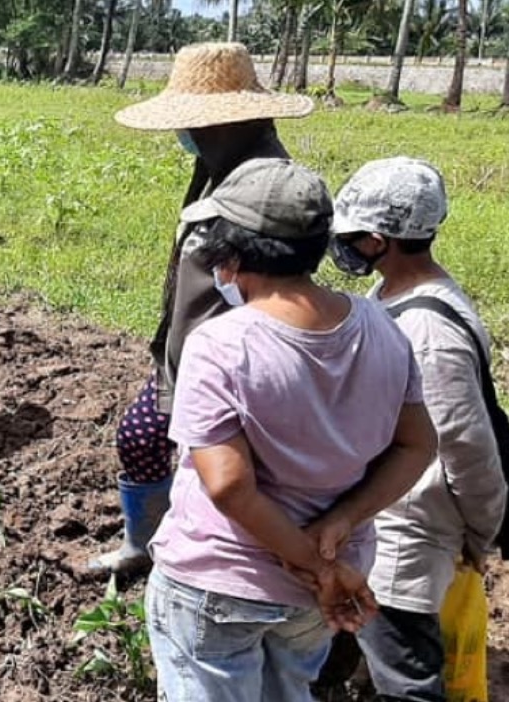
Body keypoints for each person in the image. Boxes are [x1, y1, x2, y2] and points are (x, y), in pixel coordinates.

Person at [144, 158, 440, 702]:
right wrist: (341, 527)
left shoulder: (221, 344)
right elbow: (418, 444)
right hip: (321, 589)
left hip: (222, 579)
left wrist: (312, 563)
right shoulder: (381, 326)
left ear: (230, 253)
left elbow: (229, 485)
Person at [89, 42, 317, 576]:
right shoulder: (222, 166)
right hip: (185, 356)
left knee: (216, 471)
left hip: (226, 367)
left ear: (224, 123)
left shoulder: (262, 191)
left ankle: (207, 562)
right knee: (141, 438)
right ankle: (144, 546)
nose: (184, 134)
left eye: (191, 124)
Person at [329, 157, 508, 702]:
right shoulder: (389, 299)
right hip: (371, 526)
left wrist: (480, 534)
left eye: (353, 237)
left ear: (379, 241)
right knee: (332, 657)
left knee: (406, 679)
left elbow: (468, 447)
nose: (345, 247)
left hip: (405, 537)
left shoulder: (429, 331)